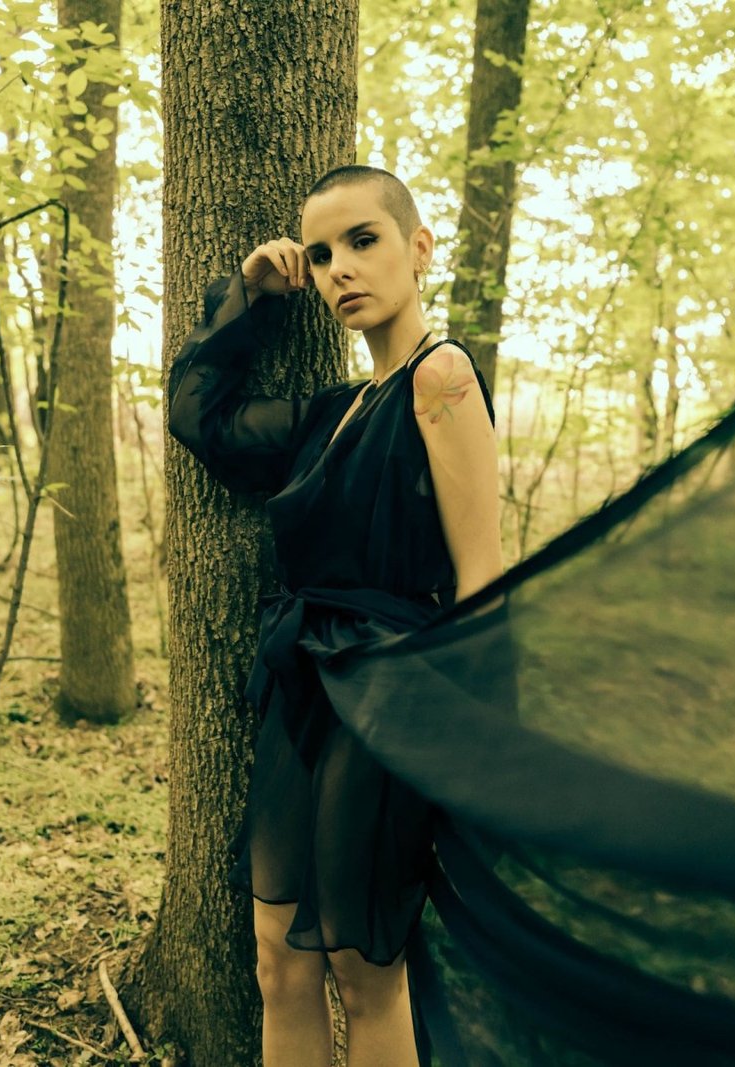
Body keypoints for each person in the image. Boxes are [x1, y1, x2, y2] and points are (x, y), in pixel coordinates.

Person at [166, 164, 503, 1067]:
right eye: (320, 255)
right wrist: (250, 295)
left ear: (418, 248)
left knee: (364, 972)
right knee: (279, 960)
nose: (339, 268)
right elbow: (202, 418)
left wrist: (473, 739)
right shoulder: (332, 411)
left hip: (392, 698)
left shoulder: (442, 376)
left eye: (363, 240)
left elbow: (482, 575)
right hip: (304, 694)